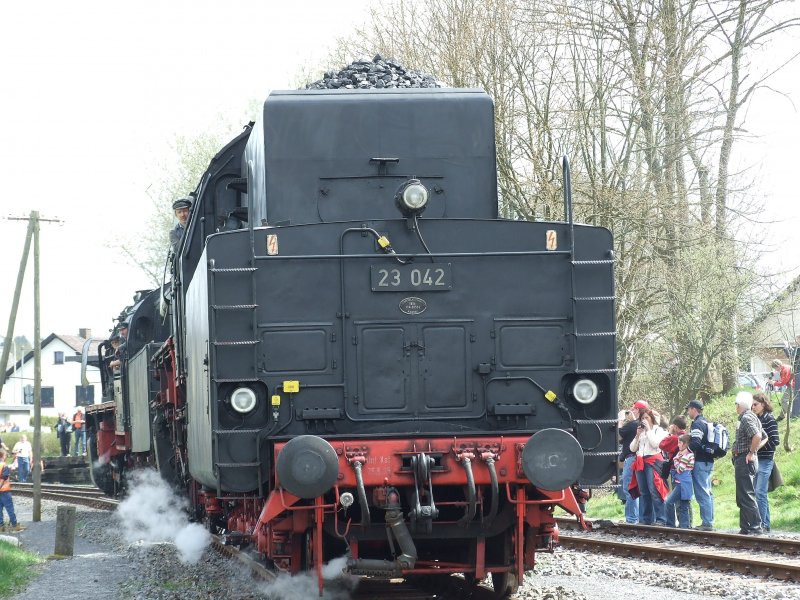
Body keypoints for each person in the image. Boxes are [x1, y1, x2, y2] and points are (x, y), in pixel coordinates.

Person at [629, 408, 668, 525]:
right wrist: (637, 436)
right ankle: (646, 519)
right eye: (642, 418)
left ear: (652, 419)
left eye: (646, 418)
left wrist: (649, 430)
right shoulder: (641, 432)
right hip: (641, 462)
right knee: (644, 492)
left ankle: (661, 519)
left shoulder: (659, 430)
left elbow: (656, 444)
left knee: (654, 490)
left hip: (653, 462)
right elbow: (632, 448)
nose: (644, 420)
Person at [732, 391, 764, 535]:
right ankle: (745, 527)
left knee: (746, 494)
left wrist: (751, 453)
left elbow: (757, 436)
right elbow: (762, 435)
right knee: (743, 495)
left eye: (736, 404)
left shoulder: (746, 418)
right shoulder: (751, 416)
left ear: (740, 404)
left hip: (745, 459)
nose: (735, 407)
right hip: (744, 459)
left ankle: (755, 526)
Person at [752, 392, 780, 532]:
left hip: (766, 460)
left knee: (760, 492)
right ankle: (765, 524)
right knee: (757, 492)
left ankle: (763, 524)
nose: (753, 407)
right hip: (756, 460)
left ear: (763, 404)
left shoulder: (769, 419)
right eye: (752, 405)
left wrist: (759, 447)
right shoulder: (756, 419)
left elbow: (775, 441)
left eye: (755, 404)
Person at [686, 399, 715, 531]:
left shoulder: (697, 424)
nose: (688, 412)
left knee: (702, 492)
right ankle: (709, 520)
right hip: (709, 461)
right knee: (708, 491)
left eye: (688, 409)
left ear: (693, 409)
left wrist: (685, 452)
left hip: (700, 462)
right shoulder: (706, 422)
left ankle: (707, 522)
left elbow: (696, 443)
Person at [618, 400, 648, 523]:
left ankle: (631, 518)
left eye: (633, 409)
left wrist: (620, 419)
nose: (630, 411)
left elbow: (617, 434)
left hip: (632, 458)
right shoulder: (643, 424)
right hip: (642, 458)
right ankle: (640, 518)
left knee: (629, 488)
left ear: (637, 410)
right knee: (639, 488)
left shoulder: (633, 424)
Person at [665, 434, 694, 528]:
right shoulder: (682, 454)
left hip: (682, 483)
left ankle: (670, 524)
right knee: (683, 505)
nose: (678, 445)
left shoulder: (687, 455)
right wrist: (677, 459)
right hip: (683, 482)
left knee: (669, 502)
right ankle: (685, 526)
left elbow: (679, 469)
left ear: (685, 444)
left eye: (680, 443)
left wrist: (676, 460)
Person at [0, 449, 25, 532]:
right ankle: (14, 525)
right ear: (3, 456)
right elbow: (4, 477)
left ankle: (1, 526)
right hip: (4, 491)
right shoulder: (4, 466)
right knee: (10, 508)